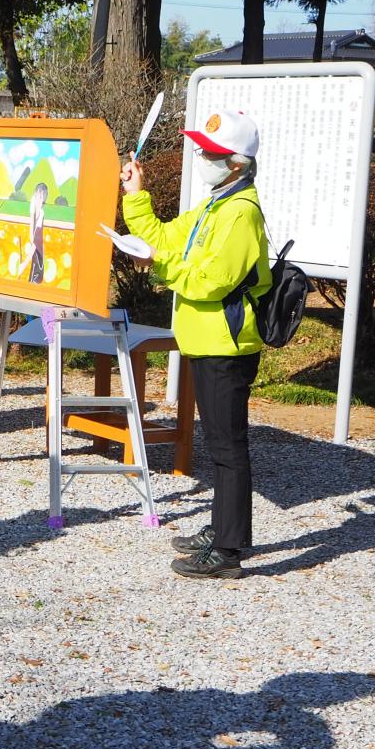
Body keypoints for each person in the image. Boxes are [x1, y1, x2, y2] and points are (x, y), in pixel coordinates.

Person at [121, 109, 271, 580]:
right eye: (203, 150)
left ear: (237, 164)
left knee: (228, 448)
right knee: (220, 445)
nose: (202, 157)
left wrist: (160, 269)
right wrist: (136, 196)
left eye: (212, 153)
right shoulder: (215, 204)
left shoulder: (241, 214)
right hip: (206, 340)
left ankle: (228, 552)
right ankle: (223, 529)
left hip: (226, 345)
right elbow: (166, 238)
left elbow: (212, 280)